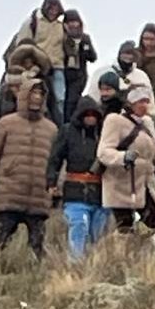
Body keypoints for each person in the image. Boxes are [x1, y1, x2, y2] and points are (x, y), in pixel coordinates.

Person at [0, 76, 57, 257]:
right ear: (24, 95)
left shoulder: (51, 129)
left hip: (38, 195)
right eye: (33, 92)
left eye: (41, 93)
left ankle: (37, 277)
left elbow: (56, 162)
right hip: (11, 191)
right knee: (1, 242)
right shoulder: (5, 123)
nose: (37, 97)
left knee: (37, 246)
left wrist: (56, 188)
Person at [46, 96, 107, 259]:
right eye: (86, 113)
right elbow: (55, 158)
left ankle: (96, 267)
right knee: (78, 225)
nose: (90, 117)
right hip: (75, 191)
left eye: (94, 114)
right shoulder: (67, 131)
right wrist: (51, 181)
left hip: (101, 193)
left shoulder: (104, 133)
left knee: (98, 234)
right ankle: (75, 265)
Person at [98, 84, 155, 232]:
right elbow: (103, 152)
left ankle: (148, 254)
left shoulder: (147, 123)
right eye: (140, 101)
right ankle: (122, 254)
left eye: (146, 101)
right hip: (121, 184)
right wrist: (123, 156)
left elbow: (154, 153)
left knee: (154, 224)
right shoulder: (114, 120)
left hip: (144, 184)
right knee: (124, 229)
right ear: (130, 103)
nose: (144, 105)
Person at [11, 0, 65, 124]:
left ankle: (59, 125)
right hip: (37, 66)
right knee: (35, 95)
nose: (53, 12)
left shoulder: (61, 26)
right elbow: (23, 43)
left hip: (57, 66)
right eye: (51, 9)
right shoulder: (33, 22)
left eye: (56, 9)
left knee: (59, 98)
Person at [86, 42, 155, 110]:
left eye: (131, 54)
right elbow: (92, 98)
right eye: (126, 53)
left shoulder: (141, 76)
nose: (128, 57)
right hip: (107, 114)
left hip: (135, 117)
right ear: (119, 54)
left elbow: (150, 101)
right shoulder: (101, 72)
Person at [62, 10, 97, 118]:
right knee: (60, 100)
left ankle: (69, 123)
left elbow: (93, 57)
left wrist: (84, 49)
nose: (73, 25)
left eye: (75, 21)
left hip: (79, 75)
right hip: (63, 73)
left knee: (72, 101)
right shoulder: (61, 37)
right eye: (70, 22)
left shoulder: (84, 38)